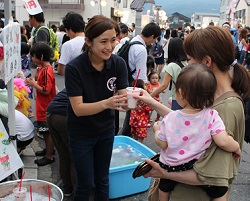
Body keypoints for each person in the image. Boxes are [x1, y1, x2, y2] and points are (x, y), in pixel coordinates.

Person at [135, 26, 250, 201]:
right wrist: (151, 101)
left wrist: (164, 172)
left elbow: (212, 175)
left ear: (206, 62)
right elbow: (185, 121)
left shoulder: (226, 108)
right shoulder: (214, 96)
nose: (187, 64)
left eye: (189, 59)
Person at [153, 64, 241, 201]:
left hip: (170, 166)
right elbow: (223, 141)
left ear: (181, 93)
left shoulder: (170, 118)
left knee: (163, 188)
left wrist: (157, 130)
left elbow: (162, 143)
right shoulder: (212, 116)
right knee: (220, 189)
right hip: (194, 167)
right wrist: (236, 147)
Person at [64, 15, 128, 200]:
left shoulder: (118, 64)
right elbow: (78, 108)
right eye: (103, 41)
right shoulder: (74, 68)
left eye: (113, 40)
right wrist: (108, 103)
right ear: (88, 42)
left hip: (106, 130)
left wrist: (130, 101)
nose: (110, 46)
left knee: (103, 179)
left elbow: (122, 95)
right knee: (85, 183)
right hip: (81, 133)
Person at [119, 22, 161, 137]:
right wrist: (148, 91)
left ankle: (124, 138)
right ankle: (125, 140)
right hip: (133, 86)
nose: (153, 42)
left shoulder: (131, 42)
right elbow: (141, 76)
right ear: (152, 36)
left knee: (129, 115)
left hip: (124, 82)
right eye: (155, 39)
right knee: (131, 116)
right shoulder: (141, 49)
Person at [25, 43, 56, 166]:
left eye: (33, 57)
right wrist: (35, 81)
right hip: (43, 105)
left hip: (46, 106)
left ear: (41, 57)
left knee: (47, 132)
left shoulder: (47, 71)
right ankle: (48, 150)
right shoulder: (43, 69)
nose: (32, 59)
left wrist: (34, 84)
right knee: (45, 132)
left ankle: (49, 156)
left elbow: (46, 90)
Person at [46, 88, 76, 197]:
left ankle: (67, 188)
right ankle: (78, 191)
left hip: (51, 112)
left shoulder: (77, 77)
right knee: (75, 156)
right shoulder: (92, 83)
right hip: (64, 116)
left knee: (63, 155)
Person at [151, 38, 188, 110]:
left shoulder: (172, 66)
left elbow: (164, 86)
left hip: (178, 99)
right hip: (190, 99)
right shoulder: (189, 62)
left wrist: (150, 96)